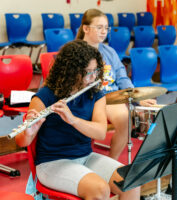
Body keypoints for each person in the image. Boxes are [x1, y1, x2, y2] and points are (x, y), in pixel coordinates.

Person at [15, 40, 140, 200]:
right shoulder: (45, 96)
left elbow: (100, 132)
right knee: (99, 189)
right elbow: (21, 142)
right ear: (71, 71)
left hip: (85, 156)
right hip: (52, 162)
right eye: (88, 72)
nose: (94, 76)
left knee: (132, 181)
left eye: (96, 70)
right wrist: (28, 132)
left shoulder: (95, 94)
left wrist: (72, 119)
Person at [76, 8, 157, 160]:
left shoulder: (109, 51)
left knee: (127, 121)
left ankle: (112, 162)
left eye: (106, 28)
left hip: (111, 98)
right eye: (99, 27)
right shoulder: (75, 52)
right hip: (89, 98)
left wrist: (136, 99)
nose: (103, 32)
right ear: (86, 28)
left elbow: (122, 78)